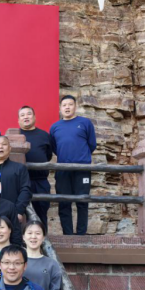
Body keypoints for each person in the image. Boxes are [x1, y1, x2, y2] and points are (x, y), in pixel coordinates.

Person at [50, 95, 96, 235]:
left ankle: (81, 234)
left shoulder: (85, 123)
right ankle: (68, 235)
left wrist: (81, 158)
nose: (67, 107)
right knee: (64, 202)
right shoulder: (55, 127)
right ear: (60, 108)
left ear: (75, 106)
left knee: (82, 201)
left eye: (70, 104)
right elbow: (54, 147)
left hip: (82, 169)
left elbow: (92, 144)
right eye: (64, 105)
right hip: (62, 169)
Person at [19, 106, 54, 232]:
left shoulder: (44, 135)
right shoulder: (15, 135)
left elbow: (48, 155)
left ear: (34, 117)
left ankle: (43, 240)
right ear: (18, 119)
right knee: (22, 214)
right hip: (22, 182)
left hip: (41, 181)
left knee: (41, 212)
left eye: (29, 114)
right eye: (22, 115)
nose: (26, 117)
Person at [22, 220, 62, 290]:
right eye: (29, 233)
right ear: (23, 237)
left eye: (38, 233)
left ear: (43, 237)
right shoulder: (16, 262)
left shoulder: (52, 264)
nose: (33, 237)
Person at [0, 136, 32, 223]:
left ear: (9, 148)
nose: (0, 147)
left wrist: (19, 211)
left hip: (12, 213)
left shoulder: (19, 168)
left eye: (4, 144)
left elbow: (25, 190)